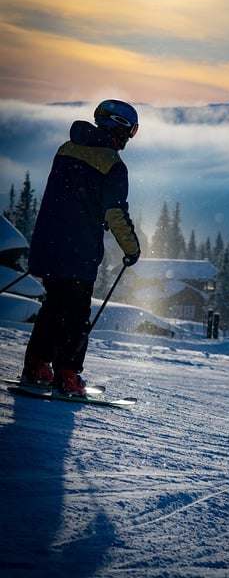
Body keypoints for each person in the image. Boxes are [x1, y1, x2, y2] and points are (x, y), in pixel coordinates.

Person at [20, 100, 141, 396]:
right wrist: (132, 248)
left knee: (53, 306)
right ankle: (68, 375)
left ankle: (36, 366)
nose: (130, 138)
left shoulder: (66, 149)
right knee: (75, 314)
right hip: (78, 250)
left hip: (48, 243)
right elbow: (114, 213)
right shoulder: (112, 164)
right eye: (132, 131)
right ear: (119, 128)